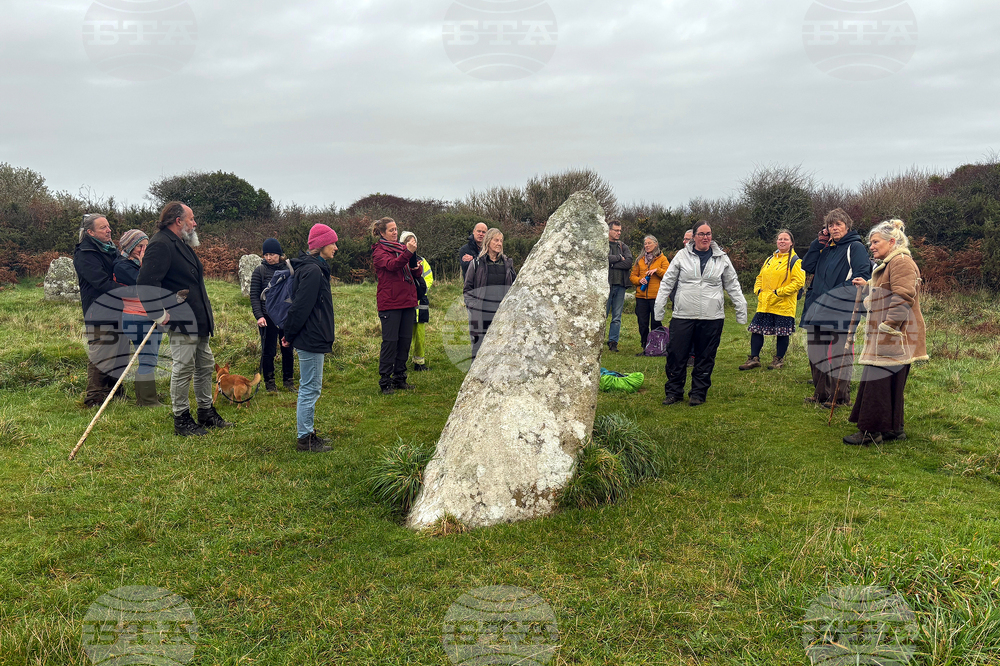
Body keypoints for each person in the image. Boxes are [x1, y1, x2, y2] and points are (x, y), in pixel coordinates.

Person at [138, 201, 231, 436]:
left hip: (198, 319)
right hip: (179, 320)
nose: (195, 223)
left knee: (204, 365)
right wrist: (159, 315)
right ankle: (181, 418)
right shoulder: (160, 244)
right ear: (178, 221)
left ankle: (205, 411)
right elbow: (146, 285)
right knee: (183, 368)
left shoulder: (181, 244)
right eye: (191, 218)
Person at [843, 219, 927, 445]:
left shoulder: (900, 262)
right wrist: (868, 285)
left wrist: (889, 326)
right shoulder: (892, 263)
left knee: (876, 383)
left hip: (893, 334)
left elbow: (903, 297)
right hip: (893, 334)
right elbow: (889, 289)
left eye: (875, 242)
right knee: (891, 382)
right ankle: (893, 429)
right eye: (870, 242)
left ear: (892, 241)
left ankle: (870, 432)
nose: (871, 246)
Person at [654, 221, 747, 406]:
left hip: (712, 317)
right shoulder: (682, 256)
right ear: (694, 237)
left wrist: (741, 309)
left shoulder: (721, 258)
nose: (706, 237)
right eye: (702, 234)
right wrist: (659, 308)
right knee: (676, 355)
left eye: (709, 234)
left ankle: (698, 393)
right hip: (683, 315)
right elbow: (667, 283)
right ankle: (674, 392)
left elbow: (733, 285)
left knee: (705, 356)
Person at [800, 208, 872, 408]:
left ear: (847, 226)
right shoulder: (826, 247)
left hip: (841, 309)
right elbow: (807, 266)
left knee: (840, 355)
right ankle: (821, 394)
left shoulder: (855, 247)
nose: (834, 228)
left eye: (838, 224)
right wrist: (817, 244)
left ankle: (840, 398)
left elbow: (861, 277)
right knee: (816, 353)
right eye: (830, 225)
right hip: (816, 308)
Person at [281, 224, 338, 452]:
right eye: (332, 243)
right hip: (311, 337)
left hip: (310, 335)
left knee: (310, 386)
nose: (335, 247)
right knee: (310, 388)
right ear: (322, 245)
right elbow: (300, 308)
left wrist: (290, 335)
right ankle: (305, 439)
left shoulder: (314, 268)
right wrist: (288, 334)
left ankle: (308, 433)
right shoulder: (313, 271)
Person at [74, 213, 129, 407]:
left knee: (121, 349)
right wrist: (128, 292)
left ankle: (116, 391)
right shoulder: (85, 253)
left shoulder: (111, 250)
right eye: (103, 227)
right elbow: (101, 282)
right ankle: (94, 397)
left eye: (108, 226)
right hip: (98, 309)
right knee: (101, 351)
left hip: (118, 307)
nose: (109, 230)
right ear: (90, 232)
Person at [739, 229, 806, 371]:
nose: (782, 241)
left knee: (782, 332)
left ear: (791, 243)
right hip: (765, 303)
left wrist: (778, 293)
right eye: (780, 239)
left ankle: (778, 360)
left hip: (784, 304)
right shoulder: (769, 259)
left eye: (785, 239)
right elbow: (759, 277)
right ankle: (754, 358)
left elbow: (798, 283)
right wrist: (758, 290)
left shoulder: (796, 261)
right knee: (756, 330)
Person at [112, 229, 163, 406]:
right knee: (148, 359)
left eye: (146, 246)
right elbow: (144, 285)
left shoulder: (132, 264)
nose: (144, 250)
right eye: (140, 246)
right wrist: (144, 265)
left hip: (144, 316)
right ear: (130, 246)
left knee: (147, 358)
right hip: (137, 317)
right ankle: (148, 400)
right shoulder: (123, 266)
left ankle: (145, 397)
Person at [372, 217, 422, 394]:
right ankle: (385, 381)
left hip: (408, 301)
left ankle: (400, 377)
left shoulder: (402, 248)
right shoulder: (379, 251)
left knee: (404, 341)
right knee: (390, 342)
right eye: (391, 230)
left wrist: (416, 266)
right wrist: (408, 253)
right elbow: (393, 266)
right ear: (382, 233)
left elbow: (413, 270)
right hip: (390, 302)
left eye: (396, 229)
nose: (395, 232)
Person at [249, 238, 296, 392]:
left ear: (279, 254)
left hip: (285, 316)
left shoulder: (290, 269)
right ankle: (270, 384)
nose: (268, 258)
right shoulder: (259, 271)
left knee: (288, 349)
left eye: (272, 254)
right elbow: (254, 296)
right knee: (268, 351)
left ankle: (289, 382)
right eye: (266, 254)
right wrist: (259, 316)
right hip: (267, 317)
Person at [463, 227, 516, 361]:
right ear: (488, 242)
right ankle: (474, 379)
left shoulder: (508, 264)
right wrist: (474, 306)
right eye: (496, 240)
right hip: (481, 314)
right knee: (479, 349)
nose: (499, 243)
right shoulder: (476, 263)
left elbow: (515, 289)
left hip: (501, 314)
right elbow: (467, 289)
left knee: (500, 348)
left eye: (501, 241)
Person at [629, 235, 669, 354]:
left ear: (655, 244)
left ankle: (657, 346)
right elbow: (632, 277)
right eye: (645, 243)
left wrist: (657, 271)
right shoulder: (640, 260)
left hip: (656, 296)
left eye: (649, 243)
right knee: (642, 323)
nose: (646, 245)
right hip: (641, 297)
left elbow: (669, 274)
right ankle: (645, 347)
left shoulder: (662, 259)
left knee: (656, 322)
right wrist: (639, 280)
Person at [400, 231, 433, 371]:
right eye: (409, 241)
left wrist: (420, 291)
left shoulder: (422, 261)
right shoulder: (400, 260)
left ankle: (419, 362)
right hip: (405, 302)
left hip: (421, 302)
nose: (413, 244)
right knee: (404, 334)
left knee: (420, 335)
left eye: (414, 241)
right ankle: (401, 362)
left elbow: (429, 278)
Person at [605, 220, 632, 353]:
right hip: (606, 286)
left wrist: (612, 263)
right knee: (602, 315)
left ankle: (613, 342)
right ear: (609, 230)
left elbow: (628, 263)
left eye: (620, 230)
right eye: (616, 230)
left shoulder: (623, 246)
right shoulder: (603, 244)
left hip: (620, 285)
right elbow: (602, 259)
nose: (619, 233)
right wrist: (618, 258)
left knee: (617, 316)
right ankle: (597, 341)